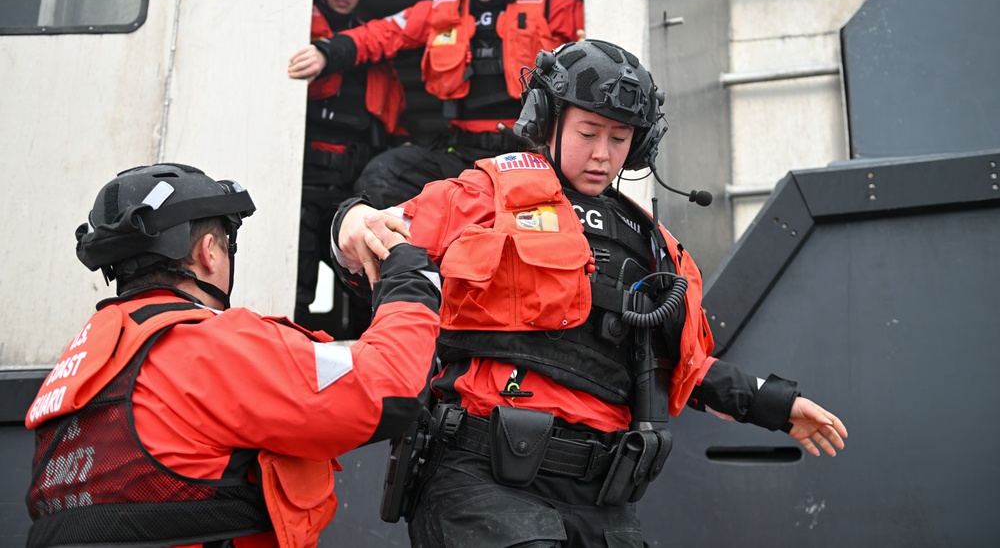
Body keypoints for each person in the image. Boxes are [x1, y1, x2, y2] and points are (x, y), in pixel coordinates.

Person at [332, 40, 848, 547]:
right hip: (483, 480)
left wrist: (772, 403)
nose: (603, 154)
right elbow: (376, 239)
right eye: (588, 132)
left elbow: (684, 365)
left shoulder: (651, 242)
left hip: (602, 499)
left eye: (620, 138)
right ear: (547, 120)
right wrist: (351, 221)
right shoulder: (485, 194)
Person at [24, 162, 441, 548]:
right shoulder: (209, 346)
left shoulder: (84, 360)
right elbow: (391, 385)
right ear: (208, 251)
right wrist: (409, 278)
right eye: (225, 246)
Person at [311, 0, 585, 209]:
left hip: (531, 154)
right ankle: (405, 258)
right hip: (462, 153)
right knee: (380, 180)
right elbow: (383, 34)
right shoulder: (443, 8)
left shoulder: (555, 6)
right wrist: (327, 52)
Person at [287, 0, 408, 327]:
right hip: (300, 192)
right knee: (296, 289)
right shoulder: (292, 33)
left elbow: (392, 121)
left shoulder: (373, 50)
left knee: (366, 286)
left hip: (352, 194)